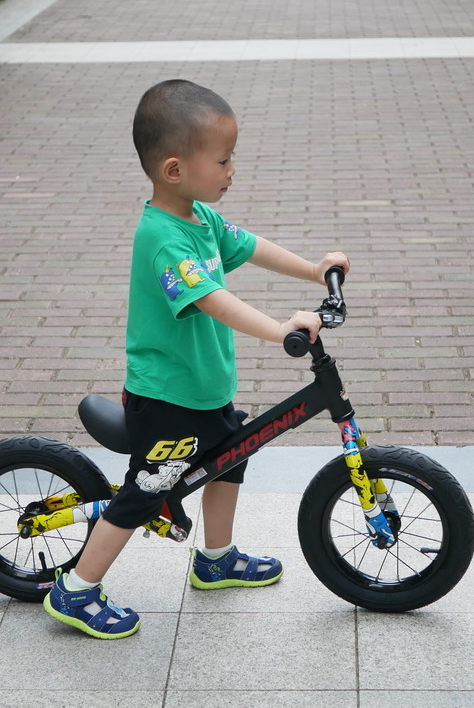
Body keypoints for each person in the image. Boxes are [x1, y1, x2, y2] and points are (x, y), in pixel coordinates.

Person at [44, 78, 349, 639]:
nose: (233, 170)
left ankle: (216, 559)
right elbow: (213, 298)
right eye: (224, 160)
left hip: (203, 389)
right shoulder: (163, 238)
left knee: (232, 455)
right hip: (166, 399)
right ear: (176, 170)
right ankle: (76, 590)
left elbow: (249, 245)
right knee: (146, 492)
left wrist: (312, 268)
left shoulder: (199, 218)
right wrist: (280, 328)